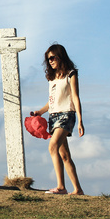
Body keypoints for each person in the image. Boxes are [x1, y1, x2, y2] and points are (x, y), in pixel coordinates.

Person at [32, 44, 84, 195]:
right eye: (48, 59)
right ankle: (78, 190)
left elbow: (75, 96)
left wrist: (80, 121)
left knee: (52, 146)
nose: (50, 61)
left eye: (53, 57)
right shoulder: (52, 78)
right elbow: (52, 100)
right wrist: (40, 112)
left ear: (61, 57)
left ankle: (61, 187)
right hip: (53, 117)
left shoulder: (71, 74)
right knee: (64, 155)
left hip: (67, 114)